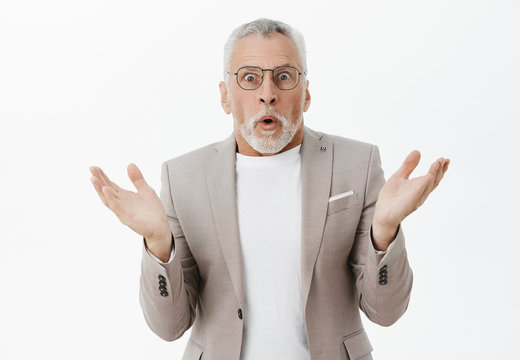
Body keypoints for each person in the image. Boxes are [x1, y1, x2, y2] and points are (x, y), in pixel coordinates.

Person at [89, 18, 449, 360]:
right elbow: (169, 326)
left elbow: (385, 312)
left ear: (306, 92)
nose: (267, 94)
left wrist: (384, 233)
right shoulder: (184, 176)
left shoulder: (358, 163)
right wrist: (157, 244)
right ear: (225, 96)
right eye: (249, 78)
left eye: (283, 77)